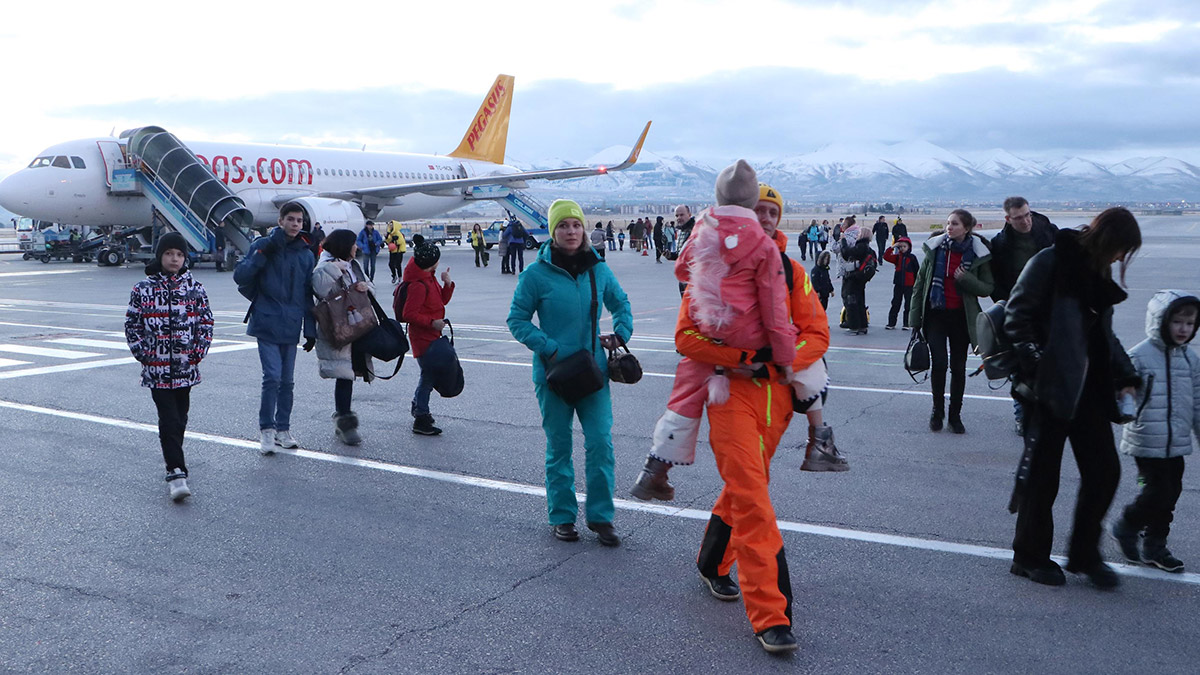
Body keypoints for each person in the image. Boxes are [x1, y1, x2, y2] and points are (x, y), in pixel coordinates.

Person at [632, 164, 798, 502]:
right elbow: (775, 307)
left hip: (709, 329)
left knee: (685, 392)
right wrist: (785, 357)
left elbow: (682, 269)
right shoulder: (765, 248)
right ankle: (820, 439)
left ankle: (655, 468)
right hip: (748, 336)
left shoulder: (702, 230)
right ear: (752, 202)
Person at [1005, 207, 1142, 589]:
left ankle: (1084, 554)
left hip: (1088, 390)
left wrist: (1126, 374)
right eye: (1120, 249)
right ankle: (1029, 557)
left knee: (1104, 472)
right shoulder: (1051, 261)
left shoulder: (1098, 271)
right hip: (1049, 389)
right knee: (1042, 478)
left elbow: (1102, 335)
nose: (1120, 258)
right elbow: (1017, 317)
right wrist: (1039, 367)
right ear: (1106, 239)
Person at [508, 199, 632, 546]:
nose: (571, 231)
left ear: (583, 228)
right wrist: (550, 347)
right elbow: (517, 320)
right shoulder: (535, 275)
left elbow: (621, 304)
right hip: (554, 375)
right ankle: (562, 516)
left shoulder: (599, 269)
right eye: (563, 225)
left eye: (576, 225)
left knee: (601, 444)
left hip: (593, 372)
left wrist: (622, 331)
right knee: (559, 447)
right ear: (553, 231)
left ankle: (601, 517)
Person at [1111, 291, 1199, 573]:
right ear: (1161, 321)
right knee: (1157, 491)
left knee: (1171, 493)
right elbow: (1121, 395)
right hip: (1147, 441)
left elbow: (1197, 400)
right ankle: (1127, 525)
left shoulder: (1190, 359)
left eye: (1190, 323)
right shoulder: (1139, 356)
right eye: (1177, 322)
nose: (1184, 329)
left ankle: (1155, 546)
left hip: (1177, 442)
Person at [125, 232, 213, 501]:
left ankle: (173, 454)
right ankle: (176, 471)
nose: (174, 259)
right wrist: (144, 353)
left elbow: (206, 323)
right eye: (168, 254)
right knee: (169, 419)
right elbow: (132, 324)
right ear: (160, 257)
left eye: (179, 254)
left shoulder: (195, 289)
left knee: (180, 418)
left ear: (184, 258)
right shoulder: (143, 289)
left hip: (186, 368)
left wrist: (197, 352)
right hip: (157, 370)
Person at [234, 202, 317, 455]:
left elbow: (306, 294)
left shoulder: (306, 253)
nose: (295, 224)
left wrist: (310, 329)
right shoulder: (262, 245)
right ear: (280, 221)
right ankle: (267, 429)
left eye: (299, 220)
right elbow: (241, 276)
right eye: (290, 219)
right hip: (267, 321)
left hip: (291, 324)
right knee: (272, 377)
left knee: (287, 381)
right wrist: (262, 255)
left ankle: (283, 428)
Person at [909, 209, 993, 433]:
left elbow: (987, 288)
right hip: (935, 315)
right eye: (948, 223)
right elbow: (919, 286)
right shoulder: (935, 250)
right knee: (939, 364)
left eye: (955, 224)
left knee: (958, 367)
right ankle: (937, 411)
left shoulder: (977, 254)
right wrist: (914, 319)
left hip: (961, 318)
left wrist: (966, 279)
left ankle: (955, 415)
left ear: (966, 228)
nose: (949, 227)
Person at [990, 196, 1059, 435]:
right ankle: (1022, 414)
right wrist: (1008, 306)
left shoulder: (1048, 233)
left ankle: (1049, 412)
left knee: (1051, 362)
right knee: (1020, 365)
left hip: (1049, 310)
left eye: (1027, 215)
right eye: (1019, 218)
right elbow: (996, 280)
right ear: (1008, 219)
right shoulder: (1000, 243)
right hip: (1019, 313)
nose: (1026, 221)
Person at [311, 229, 376, 445]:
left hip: (357, 324)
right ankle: (345, 421)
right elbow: (319, 289)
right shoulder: (324, 265)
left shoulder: (353, 264)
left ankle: (344, 417)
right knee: (344, 376)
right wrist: (333, 270)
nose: (356, 247)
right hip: (338, 327)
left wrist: (366, 287)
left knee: (351, 372)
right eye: (353, 243)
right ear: (343, 245)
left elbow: (369, 287)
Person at [400, 242, 455, 436]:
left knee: (427, 375)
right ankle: (421, 416)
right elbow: (409, 314)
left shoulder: (428, 278)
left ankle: (419, 408)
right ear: (433, 263)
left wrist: (447, 284)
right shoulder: (418, 285)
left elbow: (441, 301)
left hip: (432, 335)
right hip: (423, 338)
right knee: (428, 377)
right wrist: (432, 322)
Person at [839, 218, 876, 335]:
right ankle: (862, 325)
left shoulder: (860, 247)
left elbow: (846, 253)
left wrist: (843, 241)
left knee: (851, 301)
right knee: (860, 301)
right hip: (861, 279)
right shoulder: (868, 248)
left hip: (854, 278)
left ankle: (854, 326)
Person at [882, 236, 919, 330]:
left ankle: (907, 323)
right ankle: (891, 323)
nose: (902, 248)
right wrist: (893, 247)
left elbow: (917, 271)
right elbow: (886, 256)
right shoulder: (897, 257)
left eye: (904, 246)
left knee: (908, 305)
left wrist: (916, 284)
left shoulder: (912, 258)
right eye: (900, 247)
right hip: (898, 284)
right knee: (895, 303)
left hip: (909, 285)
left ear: (909, 247)